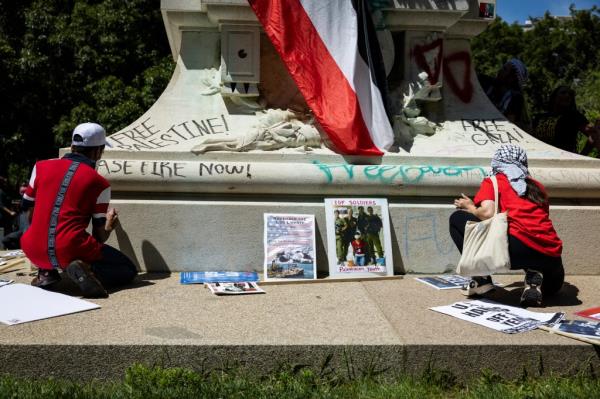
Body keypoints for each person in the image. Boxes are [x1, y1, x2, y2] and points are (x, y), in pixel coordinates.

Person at [20, 122, 137, 298]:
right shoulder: (99, 183)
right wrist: (110, 225)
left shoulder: (41, 167)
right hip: (69, 248)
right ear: (98, 151)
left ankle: (46, 271)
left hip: (31, 248)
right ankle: (86, 270)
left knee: (48, 237)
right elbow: (99, 238)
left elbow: (29, 212)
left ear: (73, 146)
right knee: (127, 270)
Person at [449, 144, 564, 307]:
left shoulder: (494, 181)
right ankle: (533, 275)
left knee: (457, 218)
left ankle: (481, 279)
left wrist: (470, 207)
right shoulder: (537, 187)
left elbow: (487, 213)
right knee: (552, 290)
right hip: (550, 254)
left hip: (516, 249)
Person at [532, 85, 600, 154]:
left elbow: (594, 135)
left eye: (570, 94)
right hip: (539, 159)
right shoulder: (539, 117)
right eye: (563, 92)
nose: (567, 95)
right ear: (554, 97)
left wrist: (582, 155)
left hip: (565, 161)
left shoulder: (574, 116)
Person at [483, 59, 531, 132]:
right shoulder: (487, 83)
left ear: (512, 78)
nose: (500, 71)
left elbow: (508, 125)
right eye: (503, 67)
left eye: (504, 69)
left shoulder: (515, 99)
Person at [0, 176, 16, 243]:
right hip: (2, 216)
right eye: (4, 181)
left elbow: (8, 201)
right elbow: (1, 205)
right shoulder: (0, 192)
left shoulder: (5, 191)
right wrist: (10, 212)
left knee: (8, 231)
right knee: (3, 232)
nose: (5, 182)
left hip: (7, 216)